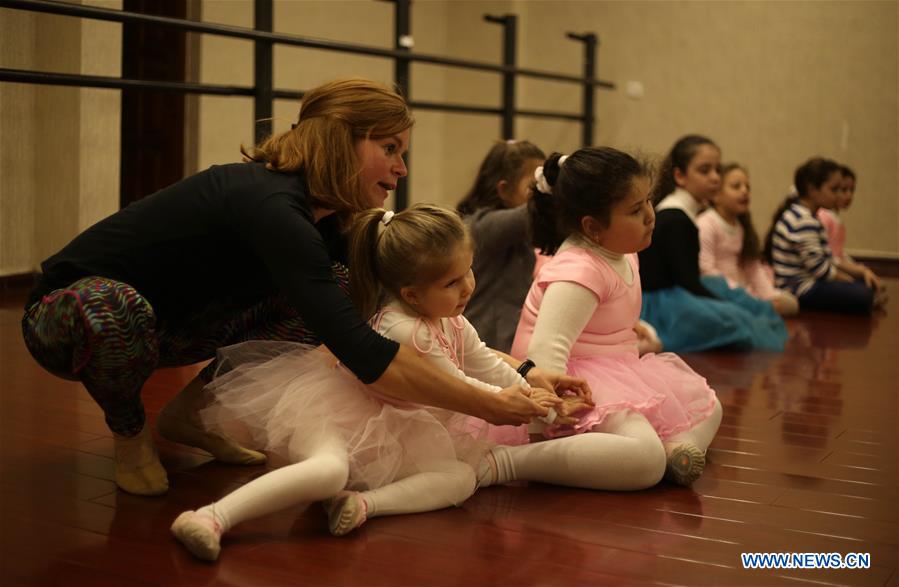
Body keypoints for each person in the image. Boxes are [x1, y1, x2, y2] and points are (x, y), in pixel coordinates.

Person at [21, 78, 549, 498]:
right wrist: (489, 405)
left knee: (343, 289)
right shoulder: (271, 206)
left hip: (171, 327)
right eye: (389, 148)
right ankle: (131, 432)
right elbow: (365, 353)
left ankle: (187, 416)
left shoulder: (324, 216)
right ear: (344, 140)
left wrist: (522, 374)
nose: (401, 168)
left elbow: (411, 325)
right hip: (65, 319)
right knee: (112, 307)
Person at [170, 205, 582, 561]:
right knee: (329, 470)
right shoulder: (403, 328)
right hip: (340, 416)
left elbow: (486, 364)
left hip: (401, 429)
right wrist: (526, 403)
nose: (468, 287)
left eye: (468, 271)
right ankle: (211, 517)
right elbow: (458, 384)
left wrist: (535, 394)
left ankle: (363, 504)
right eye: (451, 282)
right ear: (411, 294)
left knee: (461, 478)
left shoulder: (450, 319)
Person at [509, 147, 723, 487]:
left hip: (615, 372)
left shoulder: (622, 251)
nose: (651, 216)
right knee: (643, 457)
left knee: (710, 406)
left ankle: (673, 451)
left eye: (649, 201)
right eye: (636, 210)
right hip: (570, 388)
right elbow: (544, 356)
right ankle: (509, 462)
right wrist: (546, 425)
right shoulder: (578, 270)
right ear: (593, 226)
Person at [638, 135, 788, 353]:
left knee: (737, 303)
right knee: (736, 319)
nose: (715, 177)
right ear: (680, 176)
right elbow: (686, 281)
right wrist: (722, 304)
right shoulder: (675, 217)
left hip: (675, 291)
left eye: (717, 170)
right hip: (660, 302)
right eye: (705, 170)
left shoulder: (685, 214)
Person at [457, 140, 546, 352]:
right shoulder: (481, 226)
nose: (541, 193)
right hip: (485, 344)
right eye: (535, 186)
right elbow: (535, 212)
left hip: (505, 343)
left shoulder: (518, 234)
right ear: (504, 190)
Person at [763, 158, 882, 314]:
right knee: (863, 294)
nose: (838, 195)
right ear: (812, 189)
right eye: (834, 189)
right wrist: (849, 281)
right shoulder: (803, 220)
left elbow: (828, 257)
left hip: (812, 281)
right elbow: (820, 269)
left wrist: (860, 272)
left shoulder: (811, 217)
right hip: (800, 288)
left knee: (864, 284)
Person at [697, 163, 799, 316]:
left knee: (791, 304)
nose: (744, 191)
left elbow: (753, 268)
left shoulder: (741, 226)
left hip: (743, 292)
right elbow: (706, 270)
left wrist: (770, 295)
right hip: (720, 293)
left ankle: (757, 310)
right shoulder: (706, 223)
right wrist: (740, 294)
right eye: (736, 186)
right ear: (716, 196)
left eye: (747, 187)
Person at [816, 165, 885, 297]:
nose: (849, 196)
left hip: (836, 267)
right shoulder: (825, 217)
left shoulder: (833, 218)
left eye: (852, 190)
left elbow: (839, 254)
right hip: (828, 271)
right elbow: (831, 258)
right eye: (842, 190)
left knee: (875, 285)